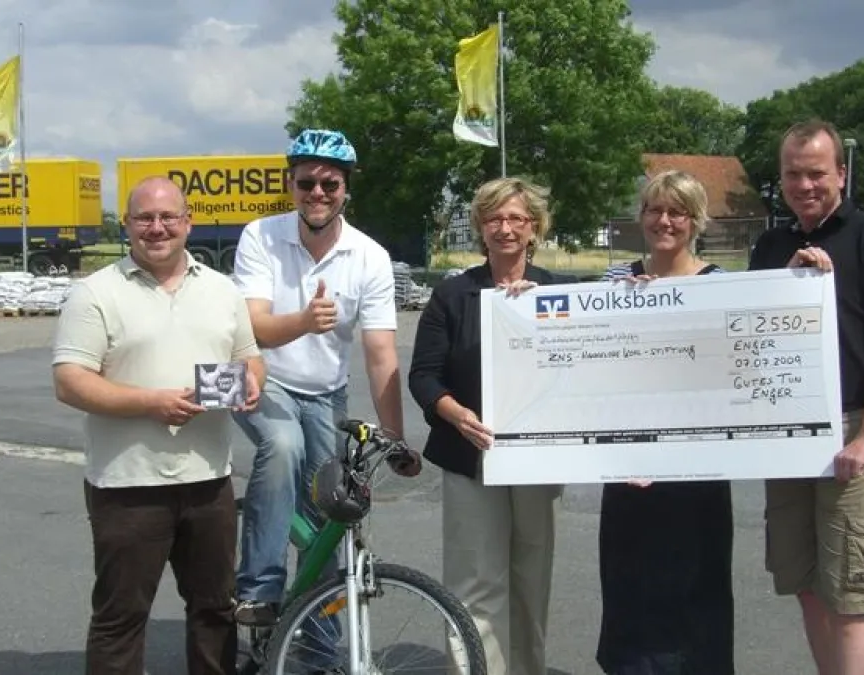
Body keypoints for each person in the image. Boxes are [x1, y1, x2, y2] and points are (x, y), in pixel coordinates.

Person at [52, 176, 265, 675]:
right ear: (127, 225)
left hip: (209, 480)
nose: (157, 227)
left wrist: (252, 382)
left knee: (215, 611)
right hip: (128, 485)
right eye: (144, 217)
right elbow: (70, 381)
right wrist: (151, 403)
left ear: (187, 223)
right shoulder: (94, 293)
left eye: (168, 216)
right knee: (121, 617)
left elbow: (249, 359)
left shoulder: (222, 289)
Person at [230, 128, 420, 638]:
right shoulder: (260, 235)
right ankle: (258, 590)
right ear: (290, 185)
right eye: (306, 182)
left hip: (324, 392)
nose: (317, 193)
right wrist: (305, 321)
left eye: (329, 184)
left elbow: (380, 353)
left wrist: (395, 437)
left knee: (328, 519)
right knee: (283, 443)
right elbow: (252, 327)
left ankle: (315, 652)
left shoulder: (370, 256)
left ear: (346, 189)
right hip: (256, 373)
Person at [748, 119, 864, 675]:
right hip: (789, 432)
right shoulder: (771, 245)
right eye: (793, 175)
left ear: (840, 173)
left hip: (852, 430)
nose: (805, 185)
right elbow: (751, 332)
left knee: (850, 594)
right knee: (806, 584)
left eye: (817, 173)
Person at [408, 177, 574, 675]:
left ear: (535, 228)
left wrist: (536, 314)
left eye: (517, 219)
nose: (505, 228)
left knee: (529, 579)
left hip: (534, 458)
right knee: (475, 584)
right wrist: (455, 414)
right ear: (481, 227)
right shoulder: (453, 295)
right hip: (468, 457)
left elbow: (582, 365)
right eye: (495, 218)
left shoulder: (560, 291)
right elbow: (423, 376)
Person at [595, 170, 735, 675]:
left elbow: (732, 372)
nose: (665, 221)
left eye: (677, 211)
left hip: (697, 471)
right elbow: (585, 367)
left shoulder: (719, 285)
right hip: (629, 469)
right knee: (629, 591)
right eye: (655, 209)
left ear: (696, 221)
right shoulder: (614, 283)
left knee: (698, 594)